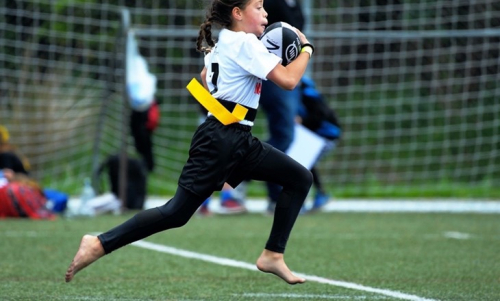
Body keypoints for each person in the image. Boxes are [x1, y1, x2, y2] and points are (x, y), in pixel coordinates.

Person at [65, 0, 314, 285]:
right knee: (176, 213)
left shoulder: (226, 41)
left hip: (234, 136)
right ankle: (98, 243)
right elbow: (289, 80)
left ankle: (273, 255)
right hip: (222, 138)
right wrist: (306, 49)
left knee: (299, 178)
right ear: (237, 13)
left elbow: (205, 78)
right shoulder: (245, 44)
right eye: (258, 7)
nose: (266, 14)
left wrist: (227, 105)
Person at [296, 76, 342, 212]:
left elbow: (319, 117)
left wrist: (302, 122)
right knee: (304, 164)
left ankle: (304, 199)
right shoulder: (304, 94)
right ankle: (319, 194)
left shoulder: (308, 95)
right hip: (319, 135)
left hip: (326, 136)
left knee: (302, 164)